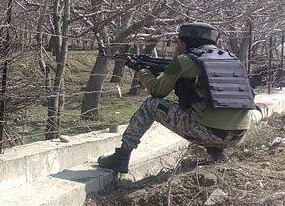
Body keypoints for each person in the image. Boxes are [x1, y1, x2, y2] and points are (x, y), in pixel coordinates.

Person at [98, 22, 255, 173]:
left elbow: (157, 91)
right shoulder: (233, 59)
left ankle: (122, 156)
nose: (179, 47)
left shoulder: (184, 60)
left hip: (205, 132)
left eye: (180, 42)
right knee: (207, 110)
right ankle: (218, 155)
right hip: (238, 135)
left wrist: (140, 69)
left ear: (191, 41)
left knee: (151, 105)